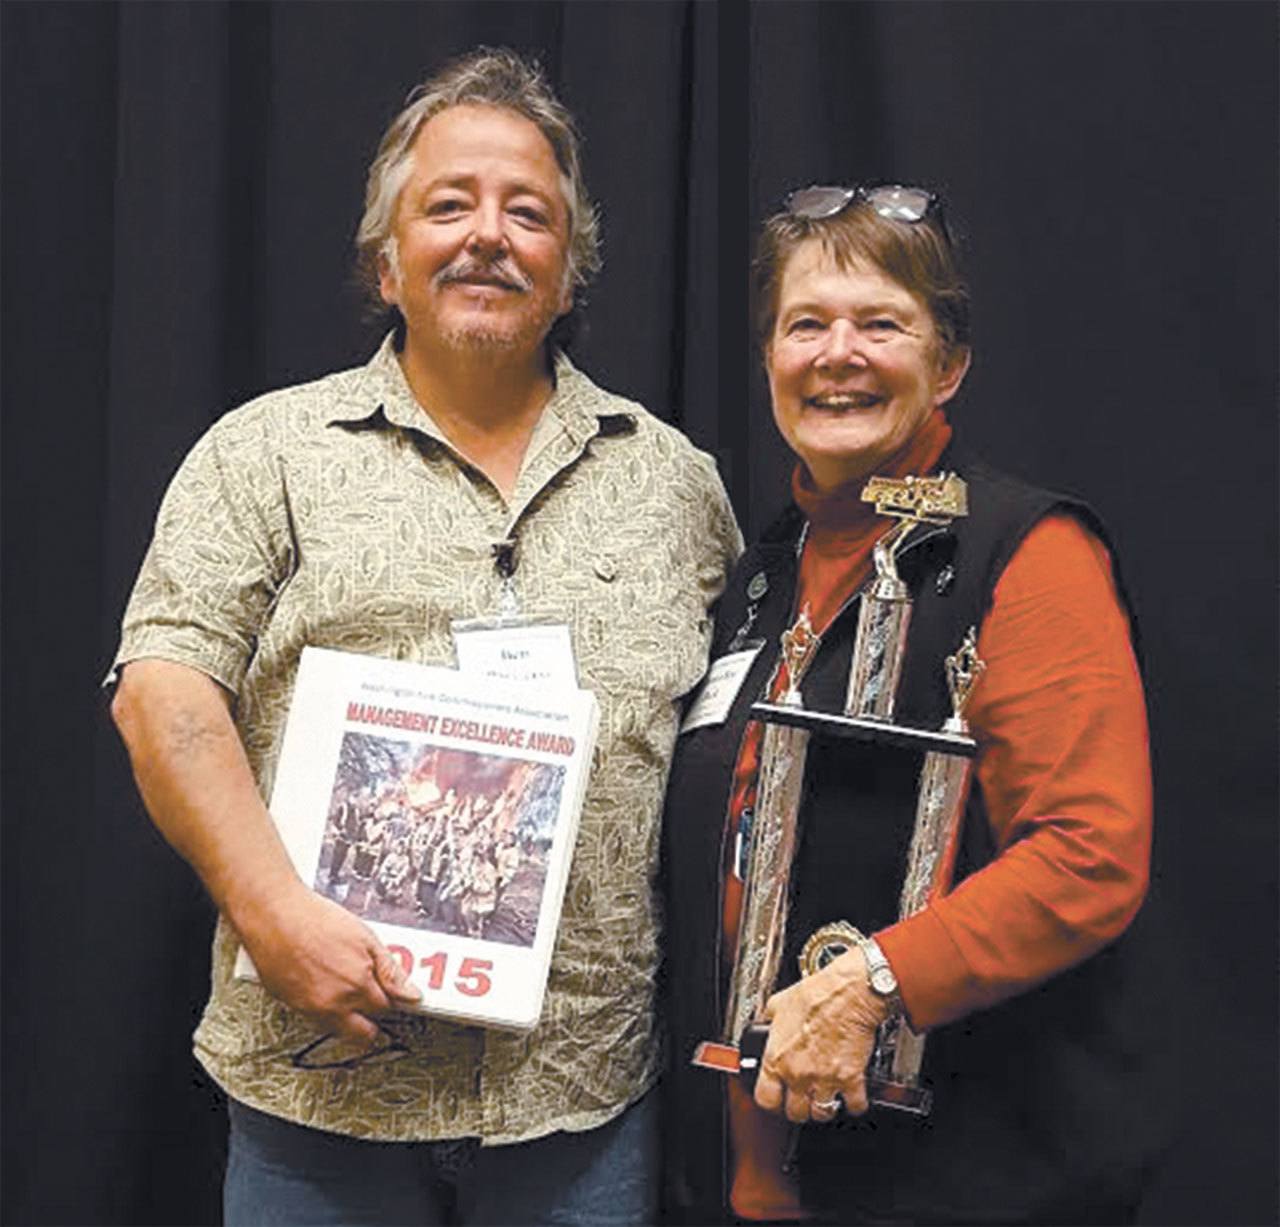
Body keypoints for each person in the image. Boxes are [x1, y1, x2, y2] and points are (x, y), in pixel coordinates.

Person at [107, 47, 739, 1227]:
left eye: (527, 213)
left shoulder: (674, 485)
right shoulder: (265, 452)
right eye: (447, 205)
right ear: (384, 261)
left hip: (581, 1108)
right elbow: (162, 692)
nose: (487, 235)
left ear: (567, 268)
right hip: (319, 1104)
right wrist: (273, 915)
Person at [663, 184, 1160, 1225]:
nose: (836, 353)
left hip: (966, 1181)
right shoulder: (763, 571)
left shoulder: (1024, 554)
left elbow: (1088, 851)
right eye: (805, 324)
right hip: (749, 1186)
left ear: (949, 363)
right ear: (767, 359)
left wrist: (870, 984)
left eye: (880, 323)